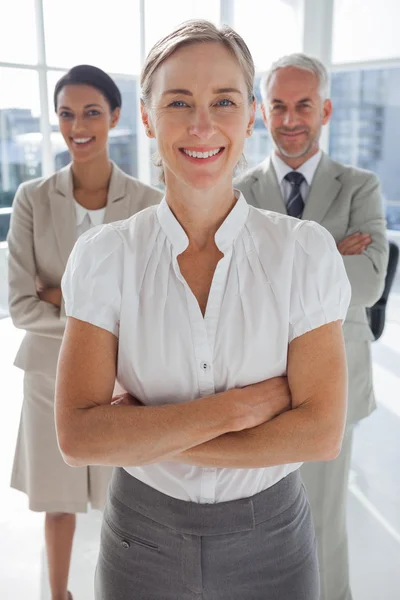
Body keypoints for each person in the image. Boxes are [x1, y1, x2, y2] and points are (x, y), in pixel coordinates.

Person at [56, 22, 351, 600]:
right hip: (141, 541)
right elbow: (79, 437)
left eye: (223, 100)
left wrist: (140, 433)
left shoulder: (303, 252)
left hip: (273, 544)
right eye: (178, 102)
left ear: (249, 119)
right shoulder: (105, 255)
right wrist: (241, 408)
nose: (201, 124)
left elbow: (319, 434)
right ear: (146, 117)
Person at [235, 54, 389, 600]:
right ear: (261, 112)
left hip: (335, 382)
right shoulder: (241, 191)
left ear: (324, 109)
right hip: (256, 384)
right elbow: (233, 289)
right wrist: (327, 253)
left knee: (323, 523)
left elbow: (368, 284)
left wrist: (275, 268)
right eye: (278, 105)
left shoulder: (361, 187)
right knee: (255, 528)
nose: (291, 117)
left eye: (304, 104)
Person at [7, 64, 162, 600]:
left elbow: (148, 305)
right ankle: (58, 595)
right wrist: (92, 314)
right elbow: (20, 307)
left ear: (116, 117)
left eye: (91, 112)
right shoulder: (31, 198)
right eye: (67, 114)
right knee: (58, 504)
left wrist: (61, 297)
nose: (79, 125)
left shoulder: (146, 203)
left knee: (131, 502)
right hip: (47, 378)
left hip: (126, 381)